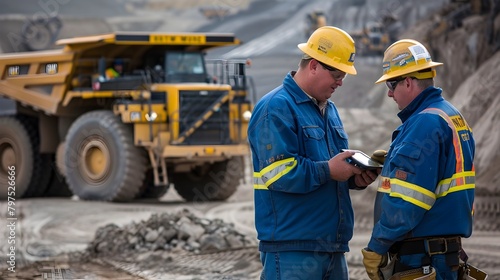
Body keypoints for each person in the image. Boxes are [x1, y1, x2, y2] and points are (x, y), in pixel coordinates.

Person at [247, 26, 380, 279]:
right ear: (315, 65)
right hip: (292, 250)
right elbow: (278, 173)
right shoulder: (275, 108)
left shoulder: (329, 110)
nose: (340, 82)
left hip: (332, 248)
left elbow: (328, 167)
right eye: (337, 73)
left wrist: (354, 177)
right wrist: (329, 170)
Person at [361, 39, 476, 280]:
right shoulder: (450, 115)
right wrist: (394, 161)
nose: (390, 93)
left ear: (408, 82)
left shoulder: (424, 123)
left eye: (391, 85)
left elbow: (408, 201)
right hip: (444, 256)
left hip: (423, 259)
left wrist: (377, 246)